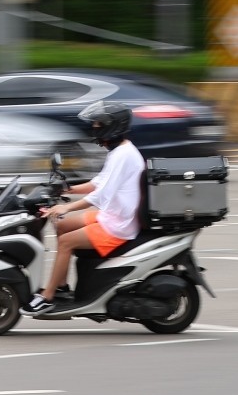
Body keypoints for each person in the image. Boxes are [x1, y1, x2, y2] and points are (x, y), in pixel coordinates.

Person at [21, 101, 145, 315]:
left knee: (67, 241)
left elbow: (101, 195)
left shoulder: (124, 155)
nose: (94, 127)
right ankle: (61, 286)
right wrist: (65, 190)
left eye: (98, 123)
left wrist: (66, 208)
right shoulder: (119, 151)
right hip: (112, 215)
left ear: (112, 126)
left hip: (118, 225)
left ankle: (47, 296)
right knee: (61, 225)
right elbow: (97, 183)